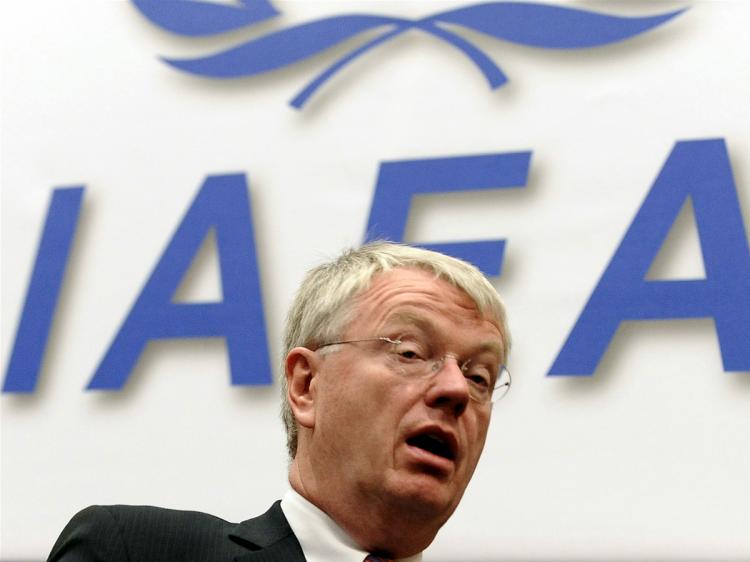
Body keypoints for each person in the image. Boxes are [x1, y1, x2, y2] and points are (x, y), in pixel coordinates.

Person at [48, 241, 512, 561]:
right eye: (410, 352)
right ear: (306, 385)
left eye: (479, 376)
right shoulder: (134, 553)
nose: (455, 389)